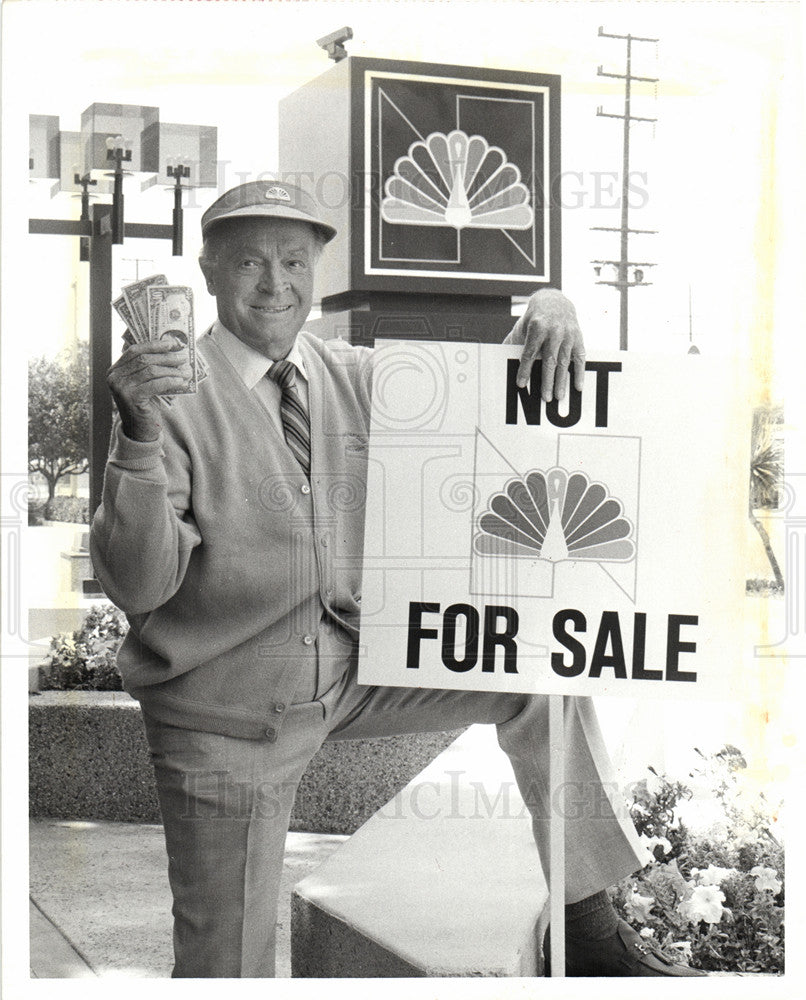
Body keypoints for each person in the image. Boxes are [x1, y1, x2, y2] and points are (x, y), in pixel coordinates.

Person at [90, 182, 704, 979]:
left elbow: (490, 390)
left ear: (317, 270)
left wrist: (551, 300)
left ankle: (585, 926)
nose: (274, 283)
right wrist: (135, 437)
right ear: (207, 271)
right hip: (225, 710)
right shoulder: (165, 396)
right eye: (249, 261)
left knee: (543, 681)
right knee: (224, 966)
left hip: (347, 675)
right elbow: (139, 587)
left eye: (293, 260)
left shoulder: (352, 373)